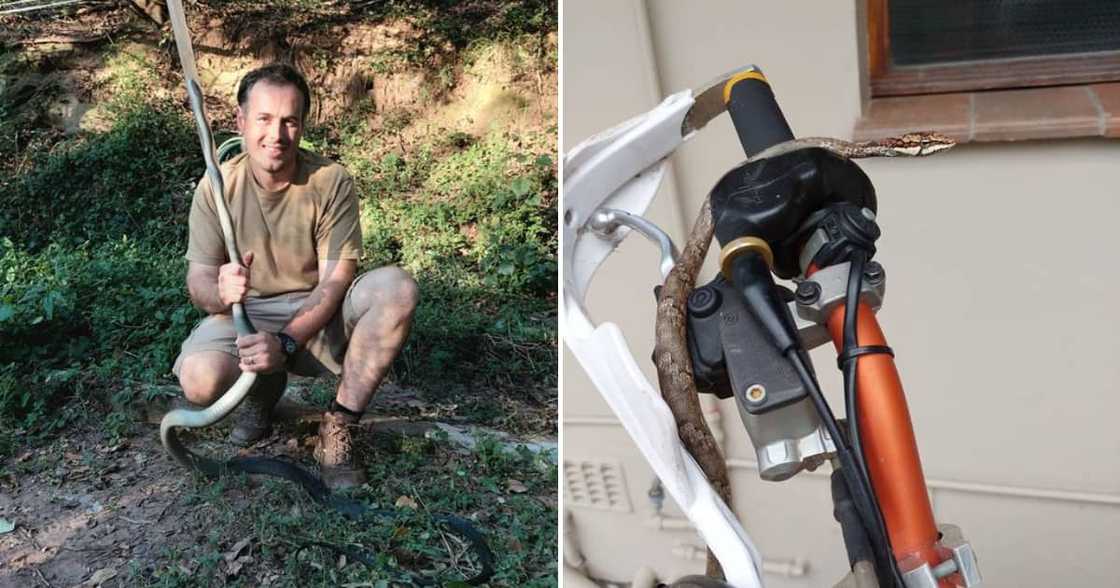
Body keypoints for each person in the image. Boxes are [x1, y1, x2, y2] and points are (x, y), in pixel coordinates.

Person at [172, 63, 419, 490]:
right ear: (241, 121)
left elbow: (335, 281)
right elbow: (198, 282)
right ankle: (261, 396)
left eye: (290, 121)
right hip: (243, 318)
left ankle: (341, 427)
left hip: (314, 316)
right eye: (264, 119)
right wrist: (220, 291)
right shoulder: (215, 187)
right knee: (198, 382)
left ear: (303, 124)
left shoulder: (331, 180)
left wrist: (285, 342)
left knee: (397, 289)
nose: (277, 134)